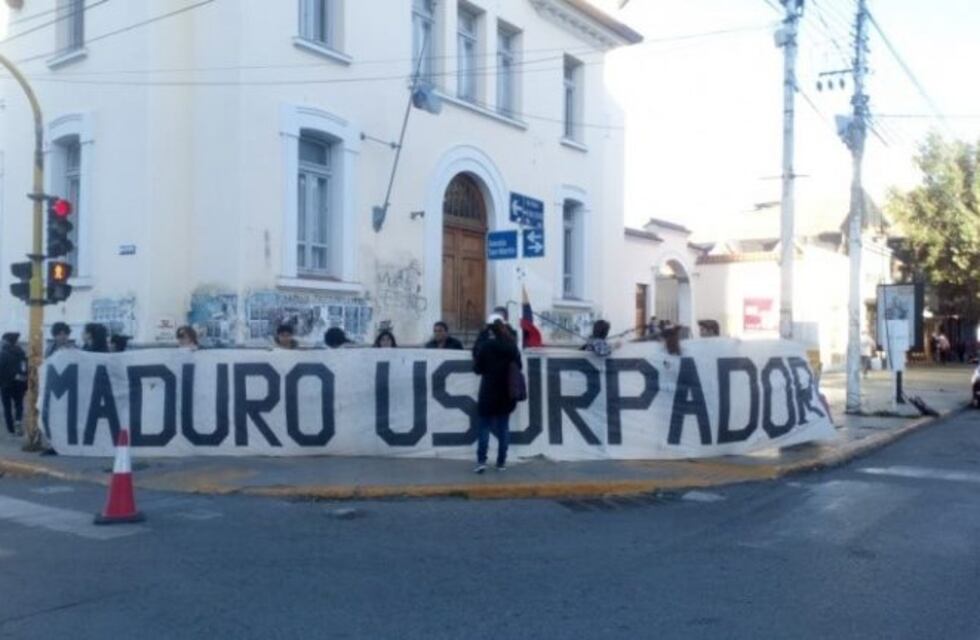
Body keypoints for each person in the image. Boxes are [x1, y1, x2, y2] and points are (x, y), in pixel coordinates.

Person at [472, 313, 521, 473]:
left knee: (484, 427)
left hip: (488, 391)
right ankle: (501, 463)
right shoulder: (512, 346)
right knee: (503, 427)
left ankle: (481, 462)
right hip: (507, 392)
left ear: (489, 328)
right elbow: (518, 366)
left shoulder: (486, 346)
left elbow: (477, 369)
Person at [0, 333, 28, 436]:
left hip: (5, 385)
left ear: (7, 341)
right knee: (19, 405)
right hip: (18, 384)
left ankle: (11, 429)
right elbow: (24, 368)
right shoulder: (21, 353)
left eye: (2, 340)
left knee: (7, 407)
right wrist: (24, 381)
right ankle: (18, 422)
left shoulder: (2, 353)